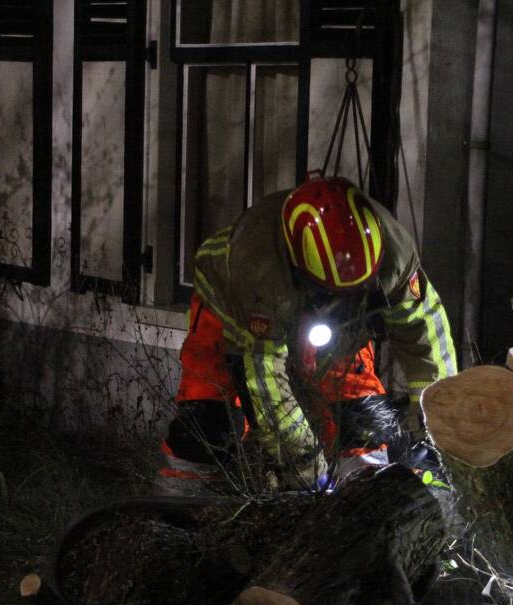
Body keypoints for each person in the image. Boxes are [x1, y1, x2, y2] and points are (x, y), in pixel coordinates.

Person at [155, 175, 457, 494]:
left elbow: (425, 333)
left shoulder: (394, 256)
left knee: (361, 417)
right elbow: (265, 380)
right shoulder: (257, 267)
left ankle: (365, 490)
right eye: (331, 294)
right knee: (209, 416)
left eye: (352, 292)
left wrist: (441, 423)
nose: (340, 301)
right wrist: (307, 468)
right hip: (230, 303)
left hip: (328, 320)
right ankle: (180, 502)